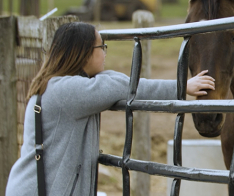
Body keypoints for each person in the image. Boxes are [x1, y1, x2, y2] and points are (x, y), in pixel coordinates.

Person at [5, 22, 215, 196]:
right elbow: (120, 86)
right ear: (83, 53)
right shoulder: (66, 91)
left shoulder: (56, 84)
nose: (105, 53)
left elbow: (112, 83)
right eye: (101, 47)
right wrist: (181, 86)